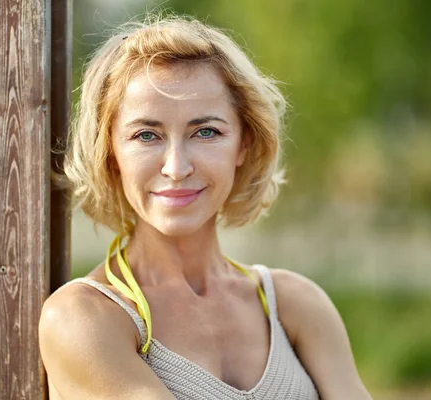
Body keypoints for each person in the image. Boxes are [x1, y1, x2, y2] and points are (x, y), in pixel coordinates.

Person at [39, 14, 372, 400]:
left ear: (244, 144)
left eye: (206, 132)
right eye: (146, 135)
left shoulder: (296, 304)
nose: (176, 168)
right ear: (111, 152)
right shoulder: (83, 318)